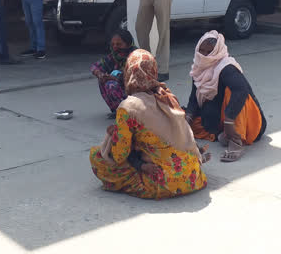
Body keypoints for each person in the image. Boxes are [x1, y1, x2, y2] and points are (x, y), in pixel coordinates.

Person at [89, 49, 210, 199]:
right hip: (193, 177)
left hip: (161, 182)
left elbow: (120, 155)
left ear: (128, 72)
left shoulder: (128, 107)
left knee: (96, 156)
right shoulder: (167, 96)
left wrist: (114, 135)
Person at [186, 31, 267, 162]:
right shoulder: (199, 67)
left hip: (244, 122)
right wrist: (188, 118)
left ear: (217, 51)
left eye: (209, 52)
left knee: (234, 91)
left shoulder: (227, 67)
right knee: (178, 118)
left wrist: (229, 121)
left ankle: (235, 141)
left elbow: (241, 91)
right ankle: (222, 134)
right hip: (218, 119)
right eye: (202, 51)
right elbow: (194, 98)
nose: (205, 55)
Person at [90, 30, 137, 117]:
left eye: (119, 44)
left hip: (139, 96)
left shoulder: (136, 56)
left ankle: (129, 112)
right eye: (113, 44)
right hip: (123, 89)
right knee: (102, 81)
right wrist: (100, 75)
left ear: (128, 44)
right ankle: (118, 111)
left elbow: (136, 80)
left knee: (111, 85)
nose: (115, 47)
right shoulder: (113, 57)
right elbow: (94, 66)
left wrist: (114, 79)